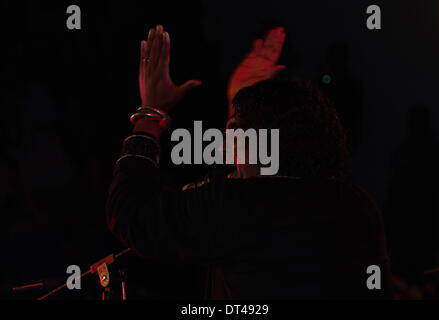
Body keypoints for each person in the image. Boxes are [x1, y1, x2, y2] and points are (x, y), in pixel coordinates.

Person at [106, 25, 392, 299]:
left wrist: (150, 114)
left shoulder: (242, 206)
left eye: (234, 132)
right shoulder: (357, 207)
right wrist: (241, 105)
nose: (225, 144)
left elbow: (132, 214)